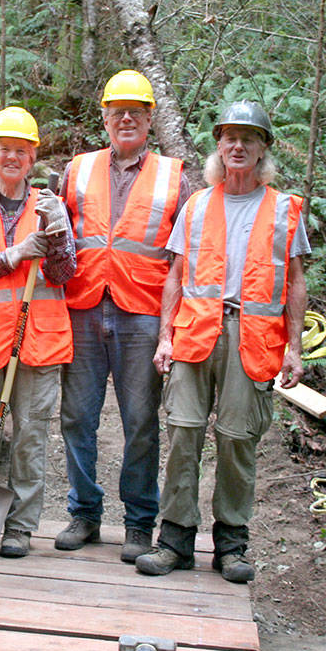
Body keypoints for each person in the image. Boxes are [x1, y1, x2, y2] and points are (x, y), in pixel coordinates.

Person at [135, 100, 310, 583]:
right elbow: (175, 277)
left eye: (248, 138)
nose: (237, 145)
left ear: (262, 150)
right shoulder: (196, 205)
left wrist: (294, 348)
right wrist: (165, 336)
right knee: (183, 433)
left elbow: (295, 283)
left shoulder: (284, 209)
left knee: (237, 441)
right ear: (218, 145)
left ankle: (231, 544)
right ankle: (174, 540)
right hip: (193, 335)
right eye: (229, 137)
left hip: (252, 339)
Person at [55, 70, 191, 563]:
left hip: (143, 313)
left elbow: (185, 257)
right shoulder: (78, 168)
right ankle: (84, 514)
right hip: (84, 305)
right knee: (76, 418)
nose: (126, 118)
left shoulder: (175, 175)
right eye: (118, 111)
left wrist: (172, 328)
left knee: (140, 422)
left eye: (136, 110)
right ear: (106, 117)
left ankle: (138, 523)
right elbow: (59, 236)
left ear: (150, 118)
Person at [0, 107, 76, 558]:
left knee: (29, 438)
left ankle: (20, 527)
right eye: (5, 149)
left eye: (21, 151)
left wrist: (60, 233)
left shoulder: (49, 207)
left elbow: (65, 274)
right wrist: (13, 255)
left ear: (32, 159)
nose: (12, 157)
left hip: (39, 341)